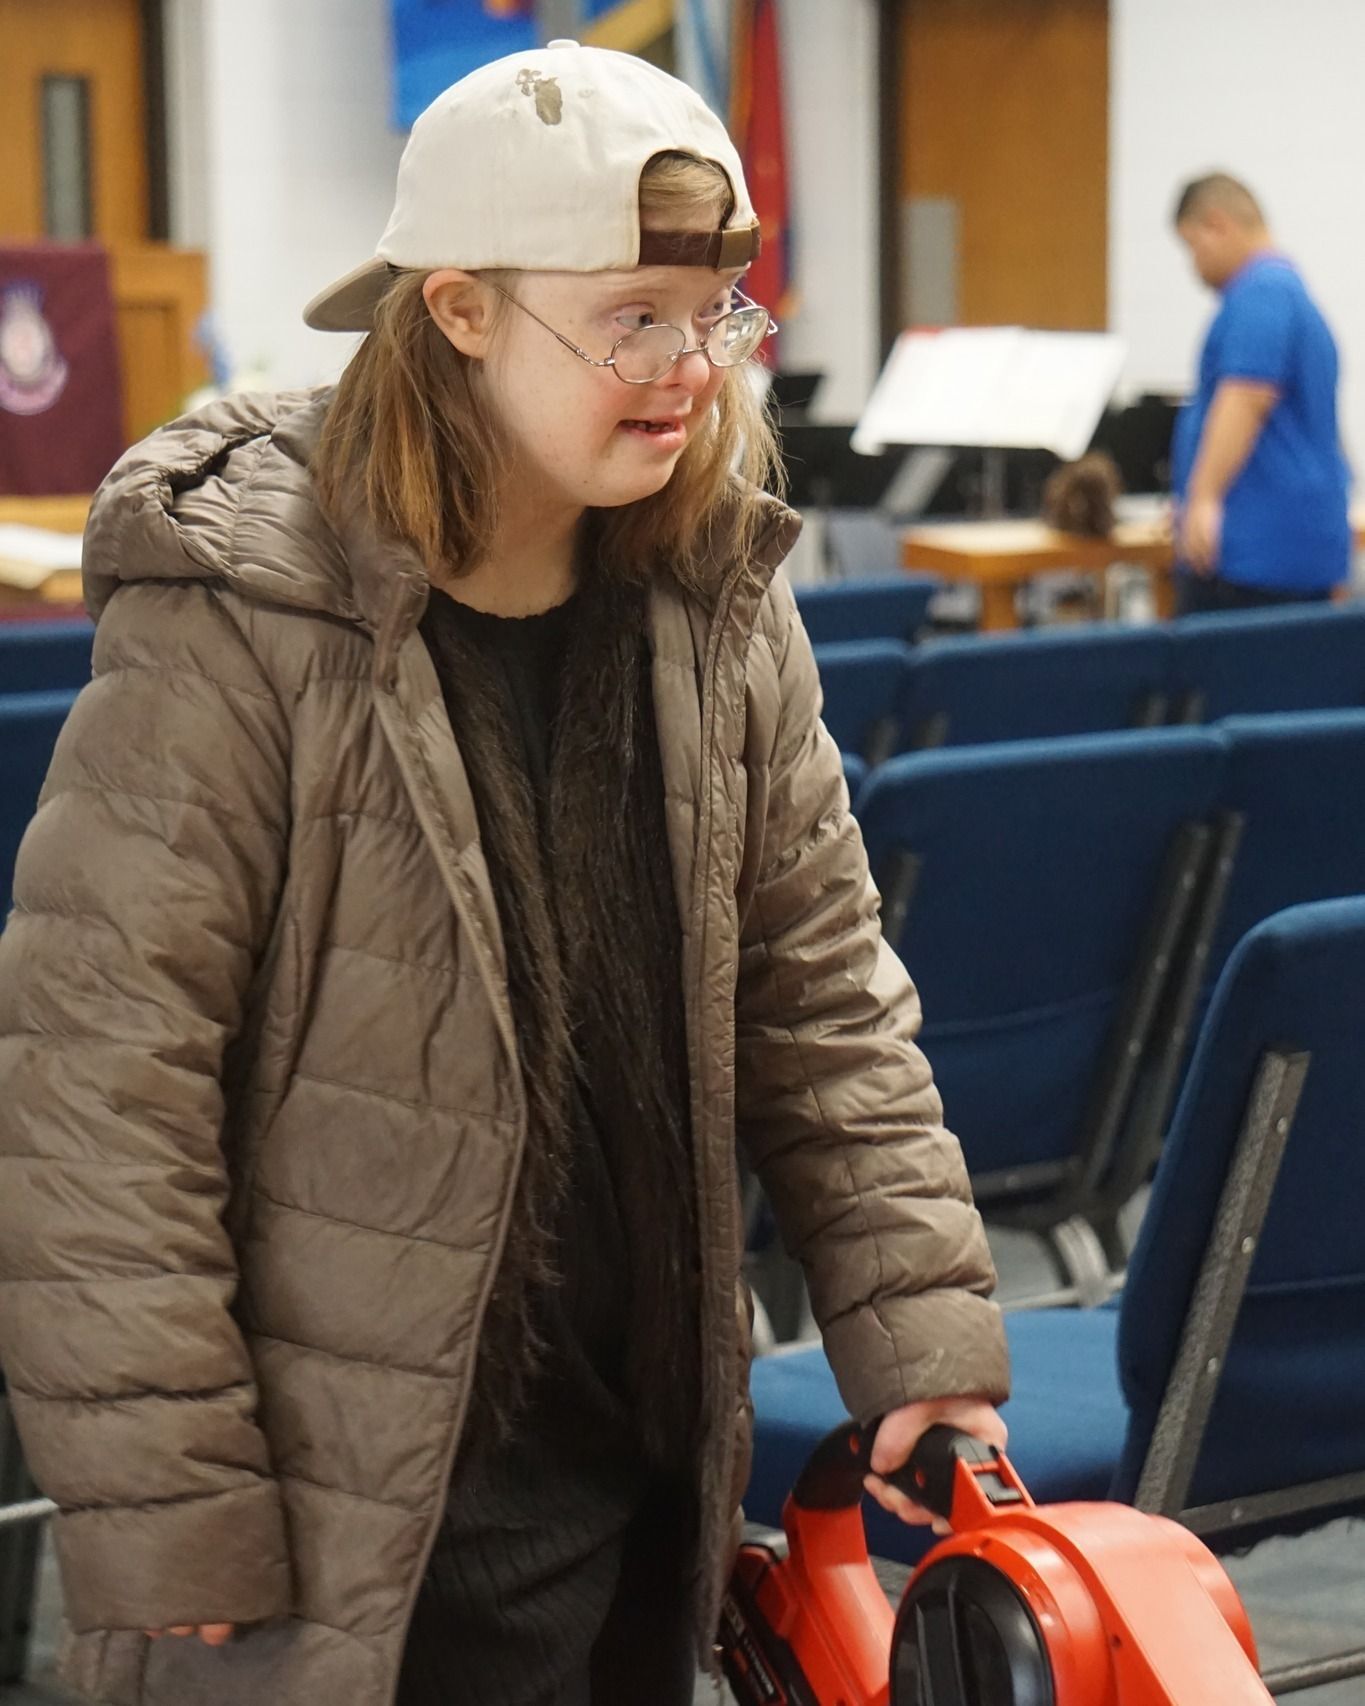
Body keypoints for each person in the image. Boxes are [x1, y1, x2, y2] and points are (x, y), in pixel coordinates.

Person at [0, 41, 1008, 1706]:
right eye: (633, 318)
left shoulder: (718, 601)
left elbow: (825, 997)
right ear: (460, 310)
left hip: (631, 1474)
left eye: (715, 313)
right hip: (341, 1516)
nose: (691, 369)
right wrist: (170, 1493)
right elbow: (100, 1081)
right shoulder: (240, 613)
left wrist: (921, 1341)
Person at [1170, 172, 1351, 614]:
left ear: (1217, 225)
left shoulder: (1260, 294)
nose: (1194, 266)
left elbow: (1246, 397)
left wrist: (1204, 498)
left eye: (1192, 246)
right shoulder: (1294, 297)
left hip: (1252, 560)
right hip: (1297, 548)